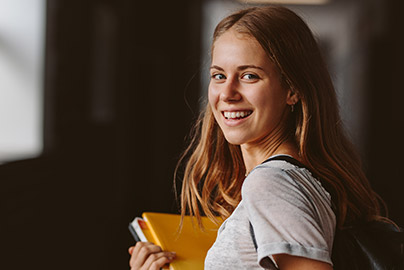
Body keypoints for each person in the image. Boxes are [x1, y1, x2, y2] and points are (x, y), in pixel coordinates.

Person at [129, 5, 386, 270]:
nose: (227, 93)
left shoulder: (272, 184)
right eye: (219, 75)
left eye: (249, 76)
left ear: (293, 90)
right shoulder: (294, 180)